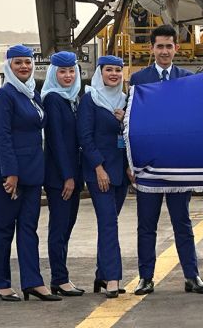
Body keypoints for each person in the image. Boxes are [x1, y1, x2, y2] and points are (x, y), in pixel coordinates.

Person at [129, 24, 203, 295]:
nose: (164, 51)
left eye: (169, 46)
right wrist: (131, 162)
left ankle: (192, 276)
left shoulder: (187, 79)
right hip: (148, 166)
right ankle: (145, 277)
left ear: (176, 48)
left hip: (177, 165)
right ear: (151, 49)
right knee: (146, 225)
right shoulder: (138, 80)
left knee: (182, 223)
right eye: (160, 46)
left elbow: (195, 119)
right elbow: (132, 125)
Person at [0, 44, 61, 302]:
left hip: (32, 172)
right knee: (3, 228)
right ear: (9, 66)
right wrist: (9, 173)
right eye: (18, 63)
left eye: (27, 62)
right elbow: (1, 137)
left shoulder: (31, 93)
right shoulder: (4, 96)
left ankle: (33, 282)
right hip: (7, 174)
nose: (24, 67)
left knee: (28, 228)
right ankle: (0, 283)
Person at [77, 55, 134, 298]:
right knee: (109, 223)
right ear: (100, 73)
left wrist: (123, 122)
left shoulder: (126, 99)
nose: (114, 74)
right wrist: (98, 168)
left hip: (120, 172)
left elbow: (130, 135)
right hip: (99, 172)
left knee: (109, 222)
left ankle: (102, 274)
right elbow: (85, 137)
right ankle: (112, 278)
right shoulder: (90, 99)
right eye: (109, 70)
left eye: (118, 70)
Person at [40, 51, 85, 297]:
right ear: (53, 74)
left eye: (71, 71)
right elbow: (56, 141)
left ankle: (61, 276)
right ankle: (59, 278)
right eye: (62, 72)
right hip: (60, 177)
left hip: (73, 175)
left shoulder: (72, 98)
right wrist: (68, 176)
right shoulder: (53, 99)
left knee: (67, 226)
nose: (68, 76)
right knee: (59, 228)